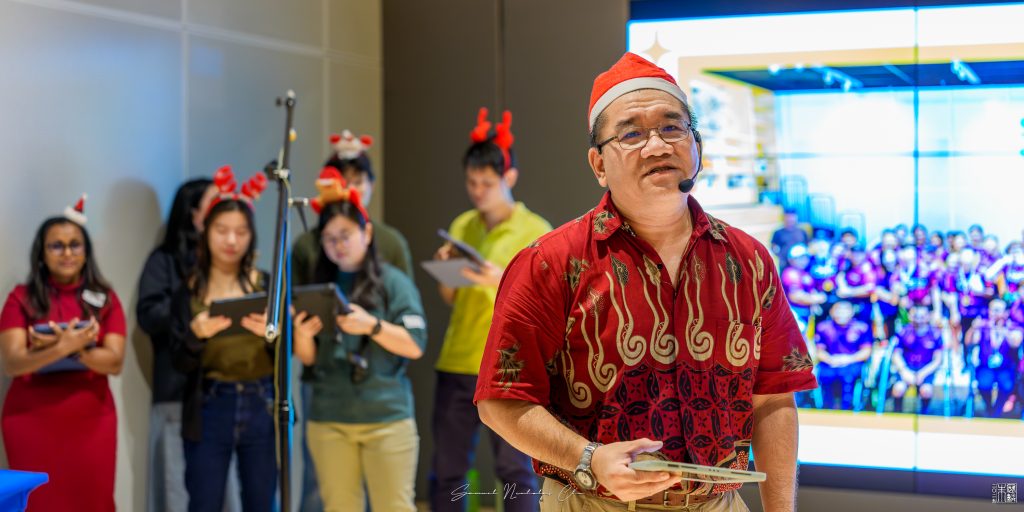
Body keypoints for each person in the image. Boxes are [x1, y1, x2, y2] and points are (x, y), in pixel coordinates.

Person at [474, 53, 817, 512]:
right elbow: (501, 400)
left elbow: (773, 398)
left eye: (672, 128)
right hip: (592, 504)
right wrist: (588, 458)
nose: (657, 146)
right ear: (598, 164)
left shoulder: (748, 261)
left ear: (697, 148)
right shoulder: (549, 263)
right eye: (632, 134)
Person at [429, 107, 552, 512]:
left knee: (515, 469)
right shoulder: (463, 225)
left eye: (487, 182)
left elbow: (546, 303)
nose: (478, 191)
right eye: (472, 182)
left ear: (509, 178)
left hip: (509, 364)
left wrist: (498, 277)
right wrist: (448, 271)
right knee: (447, 469)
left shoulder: (535, 231)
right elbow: (451, 297)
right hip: (459, 358)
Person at [292, 174, 427, 512]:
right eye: (329, 238)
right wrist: (302, 336)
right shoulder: (317, 287)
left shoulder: (393, 282)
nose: (338, 245)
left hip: (387, 417)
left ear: (366, 234)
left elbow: (415, 344)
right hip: (329, 418)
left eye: (346, 235)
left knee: (395, 507)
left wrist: (373, 325)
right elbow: (308, 359)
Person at [0, 196, 126, 511]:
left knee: (92, 500)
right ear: (42, 254)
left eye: (75, 245)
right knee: (38, 501)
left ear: (86, 251)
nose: (67, 253)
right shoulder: (20, 298)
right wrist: (65, 347)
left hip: (91, 421)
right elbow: (13, 363)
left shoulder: (106, 298)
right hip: (31, 421)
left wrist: (70, 348)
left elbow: (114, 362)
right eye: (56, 246)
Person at [169, 168, 276, 512]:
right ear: (206, 232)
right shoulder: (189, 289)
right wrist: (196, 336)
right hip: (209, 403)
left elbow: (286, 354)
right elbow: (177, 361)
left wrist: (271, 335)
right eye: (222, 230)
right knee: (204, 501)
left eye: (241, 232)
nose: (231, 241)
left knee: (262, 500)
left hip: (261, 400)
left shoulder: (266, 284)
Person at [138, 178, 219, 512]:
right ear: (193, 213)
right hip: (177, 391)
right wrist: (191, 307)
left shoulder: (226, 266)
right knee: (177, 490)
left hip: (222, 393)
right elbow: (149, 315)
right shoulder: (165, 260)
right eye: (213, 204)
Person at [967, 299, 1022, 418]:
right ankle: (989, 408)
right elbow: (970, 342)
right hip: (986, 366)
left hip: (1005, 367)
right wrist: (973, 328)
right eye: (992, 310)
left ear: (1006, 312)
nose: (994, 313)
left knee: (1007, 385)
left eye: (997, 310)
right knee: (984, 384)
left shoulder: (1013, 326)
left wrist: (1003, 331)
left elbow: (1015, 343)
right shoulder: (983, 326)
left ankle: (996, 412)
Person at [813, 302, 872, 410]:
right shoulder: (823, 327)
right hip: (830, 363)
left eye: (845, 310)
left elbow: (866, 351)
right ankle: (826, 408)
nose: (841, 313)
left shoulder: (862, 328)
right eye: (838, 310)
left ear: (852, 312)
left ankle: (848, 408)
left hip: (852, 363)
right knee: (826, 376)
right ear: (831, 312)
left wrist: (848, 359)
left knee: (848, 377)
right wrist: (831, 360)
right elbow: (819, 351)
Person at [891, 305, 943, 414]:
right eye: (916, 316)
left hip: (926, 369)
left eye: (922, 317)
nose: (918, 320)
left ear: (928, 316)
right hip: (907, 367)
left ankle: (924, 415)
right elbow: (896, 355)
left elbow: (937, 360)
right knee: (898, 388)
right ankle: (897, 415)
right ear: (910, 316)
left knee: (926, 390)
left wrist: (922, 374)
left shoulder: (935, 334)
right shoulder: (903, 332)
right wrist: (904, 371)